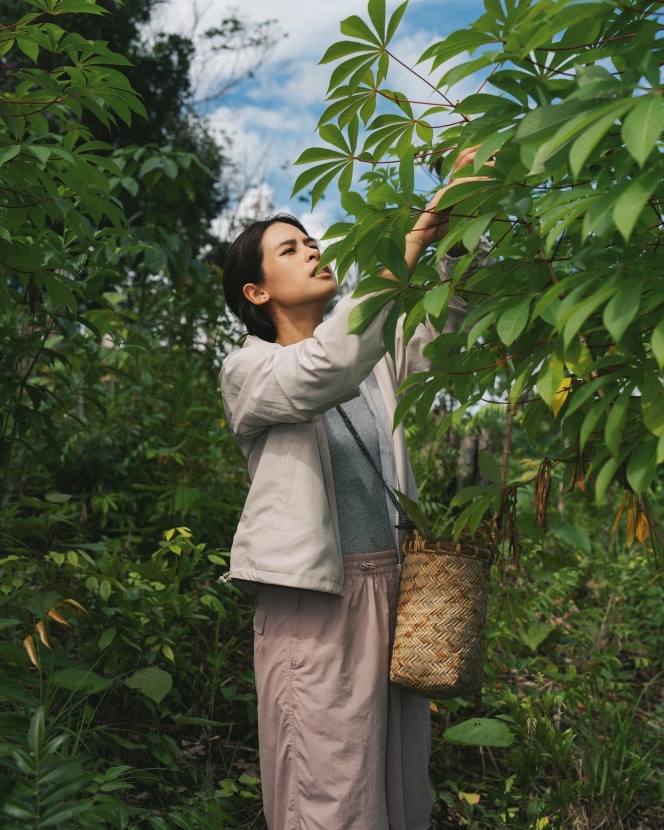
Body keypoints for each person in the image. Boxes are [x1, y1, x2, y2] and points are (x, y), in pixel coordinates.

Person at [219, 146, 492, 830]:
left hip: (395, 594)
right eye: (290, 249)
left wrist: (460, 221)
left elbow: (446, 322)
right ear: (256, 292)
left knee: (399, 789)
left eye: (313, 241)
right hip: (317, 600)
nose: (313, 251)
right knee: (329, 791)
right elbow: (323, 369)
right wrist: (407, 244)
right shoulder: (250, 370)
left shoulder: (373, 362)